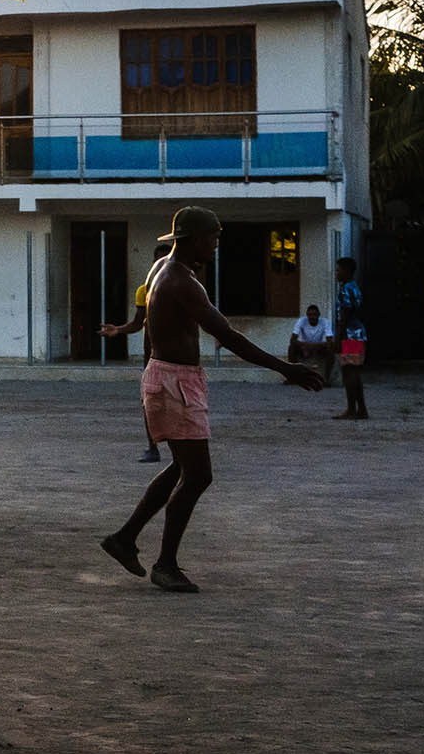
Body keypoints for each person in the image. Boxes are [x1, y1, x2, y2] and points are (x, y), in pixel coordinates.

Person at [99, 207, 323, 593]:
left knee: (180, 468)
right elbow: (229, 335)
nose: (217, 245)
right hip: (174, 382)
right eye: (212, 238)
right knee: (198, 474)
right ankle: (165, 564)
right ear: (192, 240)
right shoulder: (182, 281)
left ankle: (124, 538)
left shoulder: (162, 271)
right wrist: (286, 368)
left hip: (168, 377)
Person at [102, 243, 173, 462]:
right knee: (149, 404)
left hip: (174, 357)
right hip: (150, 357)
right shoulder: (144, 290)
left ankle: (179, 449)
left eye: (166, 262)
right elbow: (137, 323)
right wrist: (119, 330)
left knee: (175, 405)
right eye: (158, 262)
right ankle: (153, 447)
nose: (162, 267)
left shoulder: (179, 288)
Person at [335, 256, 368, 420]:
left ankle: (351, 409)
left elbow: (345, 312)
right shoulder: (354, 287)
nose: (336, 273)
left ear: (346, 271)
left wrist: (339, 334)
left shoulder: (345, 288)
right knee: (354, 371)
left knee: (349, 371)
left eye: (338, 270)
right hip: (359, 332)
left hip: (350, 333)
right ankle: (361, 408)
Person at [288, 304, 332, 376]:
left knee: (330, 349)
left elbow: (330, 341)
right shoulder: (301, 321)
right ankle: (292, 376)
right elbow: (292, 340)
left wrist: (312, 346)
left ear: (319, 315)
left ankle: (326, 378)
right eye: (310, 315)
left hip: (318, 347)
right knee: (291, 348)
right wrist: (305, 346)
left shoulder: (325, 322)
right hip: (304, 347)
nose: (312, 317)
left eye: (314, 314)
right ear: (307, 315)